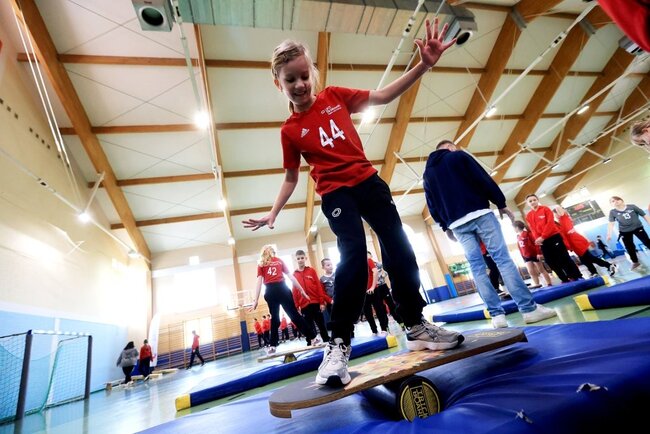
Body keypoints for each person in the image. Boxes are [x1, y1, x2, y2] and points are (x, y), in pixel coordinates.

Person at [242, 18, 463, 386]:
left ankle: (415, 325)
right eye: (290, 80)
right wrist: (273, 213)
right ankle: (339, 344)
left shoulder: (335, 97)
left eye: (304, 76)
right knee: (354, 257)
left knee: (400, 248)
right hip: (336, 194)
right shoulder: (290, 131)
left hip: (368, 183)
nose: (299, 84)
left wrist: (423, 65)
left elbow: (383, 96)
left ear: (312, 73)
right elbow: (292, 176)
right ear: (278, 83)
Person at [423, 139, 557, 329]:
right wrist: (500, 203)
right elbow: (482, 178)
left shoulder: (428, 173)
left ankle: (497, 316)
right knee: (502, 259)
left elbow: (431, 203)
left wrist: (445, 226)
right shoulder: (458, 156)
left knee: (477, 268)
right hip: (480, 213)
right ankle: (528, 310)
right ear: (450, 147)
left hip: (457, 223)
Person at [250, 245, 322, 355]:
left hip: (270, 291)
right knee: (294, 315)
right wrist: (301, 290)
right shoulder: (279, 261)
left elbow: (259, 282)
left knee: (275, 318)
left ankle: (272, 346)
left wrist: (255, 300)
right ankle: (313, 337)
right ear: (273, 252)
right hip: (282, 288)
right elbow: (291, 277)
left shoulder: (261, 263)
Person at [525, 194, 583, 282]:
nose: (533, 202)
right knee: (550, 261)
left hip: (553, 237)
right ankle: (564, 279)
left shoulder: (545, 209)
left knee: (563, 257)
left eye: (534, 200)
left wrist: (543, 236)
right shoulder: (529, 215)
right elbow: (533, 229)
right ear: (527, 203)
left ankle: (576, 276)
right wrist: (538, 239)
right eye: (530, 201)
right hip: (543, 241)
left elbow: (550, 224)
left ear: (537, 200)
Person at [554, 206, 617, 277]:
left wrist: (555, 206)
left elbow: (558, 208)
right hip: (573, 243)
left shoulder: (564, 218)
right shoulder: (560, 222)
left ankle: (609, 266)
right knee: (584, 260)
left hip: (577, 241)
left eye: (555, 214)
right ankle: (594, 271)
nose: (555, 216)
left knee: (589, 258)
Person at [292, 250, 331, 345]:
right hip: (304, 305)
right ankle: (311, 341)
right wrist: (297, 306)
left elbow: (318, 286)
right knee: (309, 325)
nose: (300, 260)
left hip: (315, 302)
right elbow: (294, 291)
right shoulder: (294, 275)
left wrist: (321, 302)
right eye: (298, 258)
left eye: (302, 258)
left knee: (321, 323)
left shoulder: (311, 271)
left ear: (305, 258)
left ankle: (326, 338)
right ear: (296, 260)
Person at [606, 196, 650, 270]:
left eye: (617, 200)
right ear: (611, 204)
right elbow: (611, 223)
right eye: (613, 201)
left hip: (638, 228)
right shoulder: (613, 212)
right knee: (629, 247)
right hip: (625, 231)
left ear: (622, 200)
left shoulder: (632, 207)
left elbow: (644, 215)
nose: (615, 202)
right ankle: (635, 262)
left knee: (647, 242)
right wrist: (609, 234)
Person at [513, 220, 553, 288]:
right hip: (526, 256)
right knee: (531, 271)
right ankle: (537, 284)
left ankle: (549, 283)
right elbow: (520, 247)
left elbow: (536, 244)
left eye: (514, 228)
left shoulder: (528, 234)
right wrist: (522, 256)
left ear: (517, 227)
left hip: (534, 254)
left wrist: (538, 253)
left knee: (541, 269)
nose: (514, 230)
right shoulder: (518, 236)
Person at [371, 254, 404, 326]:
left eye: (368, 255)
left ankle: (400, 322)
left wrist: (384, 274)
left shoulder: (379, 264)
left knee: (391, 304)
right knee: (380, 308)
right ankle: (385, 326)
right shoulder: (367, 266)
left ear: (371, 256)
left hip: (383, 286)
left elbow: (386, 270)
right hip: (375, 289)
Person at [362, 251, 390, 336]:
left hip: (373, 290)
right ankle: (374, 331)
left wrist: (373, 287)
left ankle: (384, 329)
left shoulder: (368, 260)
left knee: (379, 309)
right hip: (363, 293)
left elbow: (375, 272)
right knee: (367, 312)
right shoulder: (356, 264)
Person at [319, 258, 335, 329]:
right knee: (334, 319)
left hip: (339, 299)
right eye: (328, 265)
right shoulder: (322, 279)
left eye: (331, 264)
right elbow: (322, 292)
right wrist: (330, 300)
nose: (330, 266)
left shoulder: (337, 274)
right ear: (323, 267)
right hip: (330, 302)